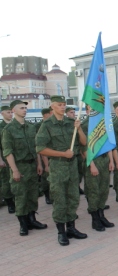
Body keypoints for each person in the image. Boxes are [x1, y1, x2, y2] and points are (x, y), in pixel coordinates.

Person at [36, 95, 87, 246]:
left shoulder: (72, 122)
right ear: (52, 107)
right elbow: (40, 148)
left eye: (64, 104)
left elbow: (83, 142)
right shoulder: (47, 125)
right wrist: (62, 154)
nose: (63, 107)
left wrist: (79, 129)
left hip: (72, 166)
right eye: (59, 104)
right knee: (59, 200)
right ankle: (61, 232)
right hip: (58, 166)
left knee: (73, 198)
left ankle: (71, 228)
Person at [2, 100, 47, 236]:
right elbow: (8, 152)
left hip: (32, 165)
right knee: (21, 196)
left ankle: (32, 219)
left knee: (33, 194)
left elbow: (36, 147)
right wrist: (14, 170)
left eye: (26, 108)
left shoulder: (31, 127)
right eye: (21, 108)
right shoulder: (8, 130)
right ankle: (23, 224)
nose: (25, 110)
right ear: (14, 110)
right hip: (19, 166)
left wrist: (39, 164)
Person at [81, 105, 115, 231]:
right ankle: (95, 219)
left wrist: (111, 161)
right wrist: (92, 165)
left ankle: (101, 215)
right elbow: (83, 148)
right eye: (92, 108)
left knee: (104, 189)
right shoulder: (85, 125)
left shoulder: (102, 123)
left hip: (104, 160)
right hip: (93, 161)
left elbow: (108, 144)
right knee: (93, 191)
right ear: (87, 110)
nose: (95, 110)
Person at [36, 108, 53, 205]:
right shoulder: (39, 126)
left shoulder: (52, 125)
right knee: (46, 178)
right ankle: (47, 195)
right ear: (45, 115)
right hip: (44, 155)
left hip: (54, 155)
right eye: (50, 113)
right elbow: (40, 146)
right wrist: (45, 164)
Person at [0, 105, 15, 214]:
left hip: (17, 157)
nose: (10, 114)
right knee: (6, 182)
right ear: (2, 114)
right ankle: (10, 203)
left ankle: (17, 201)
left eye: (11, 112)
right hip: (5, 157)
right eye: (8, 112)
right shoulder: (1, 127)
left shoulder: (15, 125)